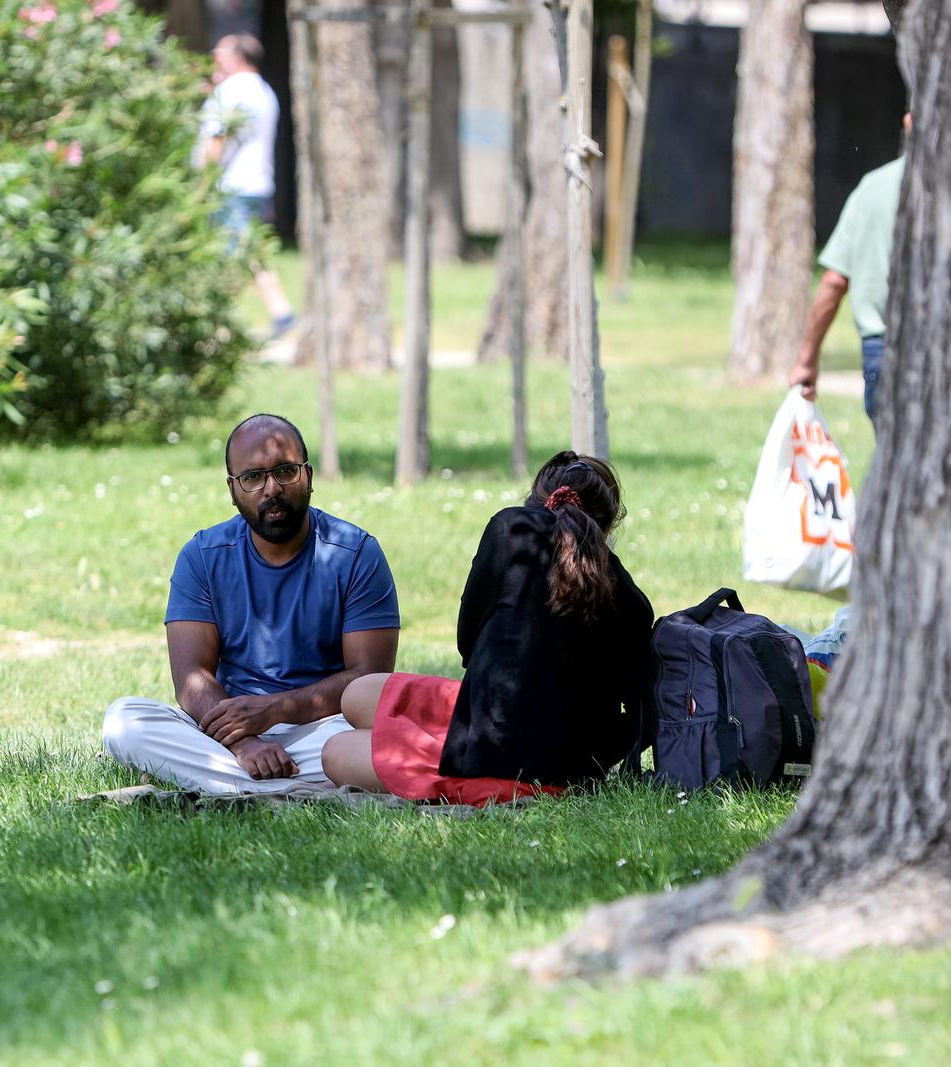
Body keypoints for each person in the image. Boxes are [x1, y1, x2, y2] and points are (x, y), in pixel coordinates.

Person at [322, 452, 654, 806]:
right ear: (607, 525)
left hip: (502, 768)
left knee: (336, 751)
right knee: (358, 693)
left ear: (537, 499)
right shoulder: (633, 603)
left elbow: (468, 643)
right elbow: (634, 712)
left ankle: (442, 762)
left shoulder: (510, 528)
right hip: (549, 753)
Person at [102, 414, 401, 793]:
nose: (271, 488)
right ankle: (286, 783)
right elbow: (192, 677)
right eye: (253, 477)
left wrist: (275, 710)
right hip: (228, 731)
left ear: (308, 476)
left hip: (326, 726)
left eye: (286, 471)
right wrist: (245, 744)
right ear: (232, 489)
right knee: (123, 721)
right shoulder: (203, 555)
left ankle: (229, 783)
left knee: (372, 740)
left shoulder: (356, 553)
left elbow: (368, 678)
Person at [787, 113, 911, 426]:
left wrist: (807, 360)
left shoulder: (872, 188)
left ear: (908, 122)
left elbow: (834, 281)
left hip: (881, 349)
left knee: (893, 453)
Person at [200, 33, 296, 339]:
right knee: (248, 252)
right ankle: (281, 312)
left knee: (231, 256)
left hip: (231, 186)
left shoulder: (232, 89)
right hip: (257, 183)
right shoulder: (264, 91)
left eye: (221, 51)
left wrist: (202, 179)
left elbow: (218, 137)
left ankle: (219, 325)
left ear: (238, 58)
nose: (215, 55)